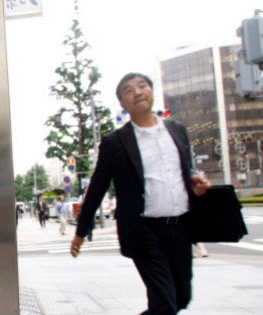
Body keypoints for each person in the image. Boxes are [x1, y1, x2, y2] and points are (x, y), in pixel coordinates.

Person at [70, 73, 212, 314]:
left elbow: (184, 169)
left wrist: (194, 180)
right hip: (144, 231)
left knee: (181, 299)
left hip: (180, 228)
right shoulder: (115, 142)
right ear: (122, 104)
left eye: (142, 86)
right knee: (165, 304)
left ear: (152, 92)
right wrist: (81, 233)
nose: (137, 92)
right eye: (128, 90)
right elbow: (97, 188)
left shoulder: (177, 130)